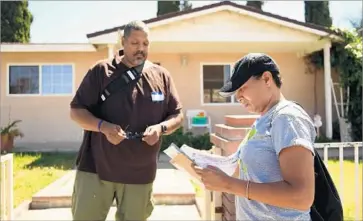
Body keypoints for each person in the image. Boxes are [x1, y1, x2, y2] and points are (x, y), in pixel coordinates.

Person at [69, 20, 183, 221]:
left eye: (146, 44)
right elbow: (76, 111)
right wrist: (103, 127)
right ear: (123, 42)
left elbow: (177, 115)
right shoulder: (101, 71)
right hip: (96, 169)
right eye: (135, 43)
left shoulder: (161, 75)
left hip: (140, 173)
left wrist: (161, 128)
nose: (141, 49)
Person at [194, 53, 316, 220]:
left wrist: (228, 185)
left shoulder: (287, 118)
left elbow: (301, 197)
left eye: (242, 88)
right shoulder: (263, 120)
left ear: (267, 79)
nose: (238, 97)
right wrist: (203, 163)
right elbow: (243, 169)